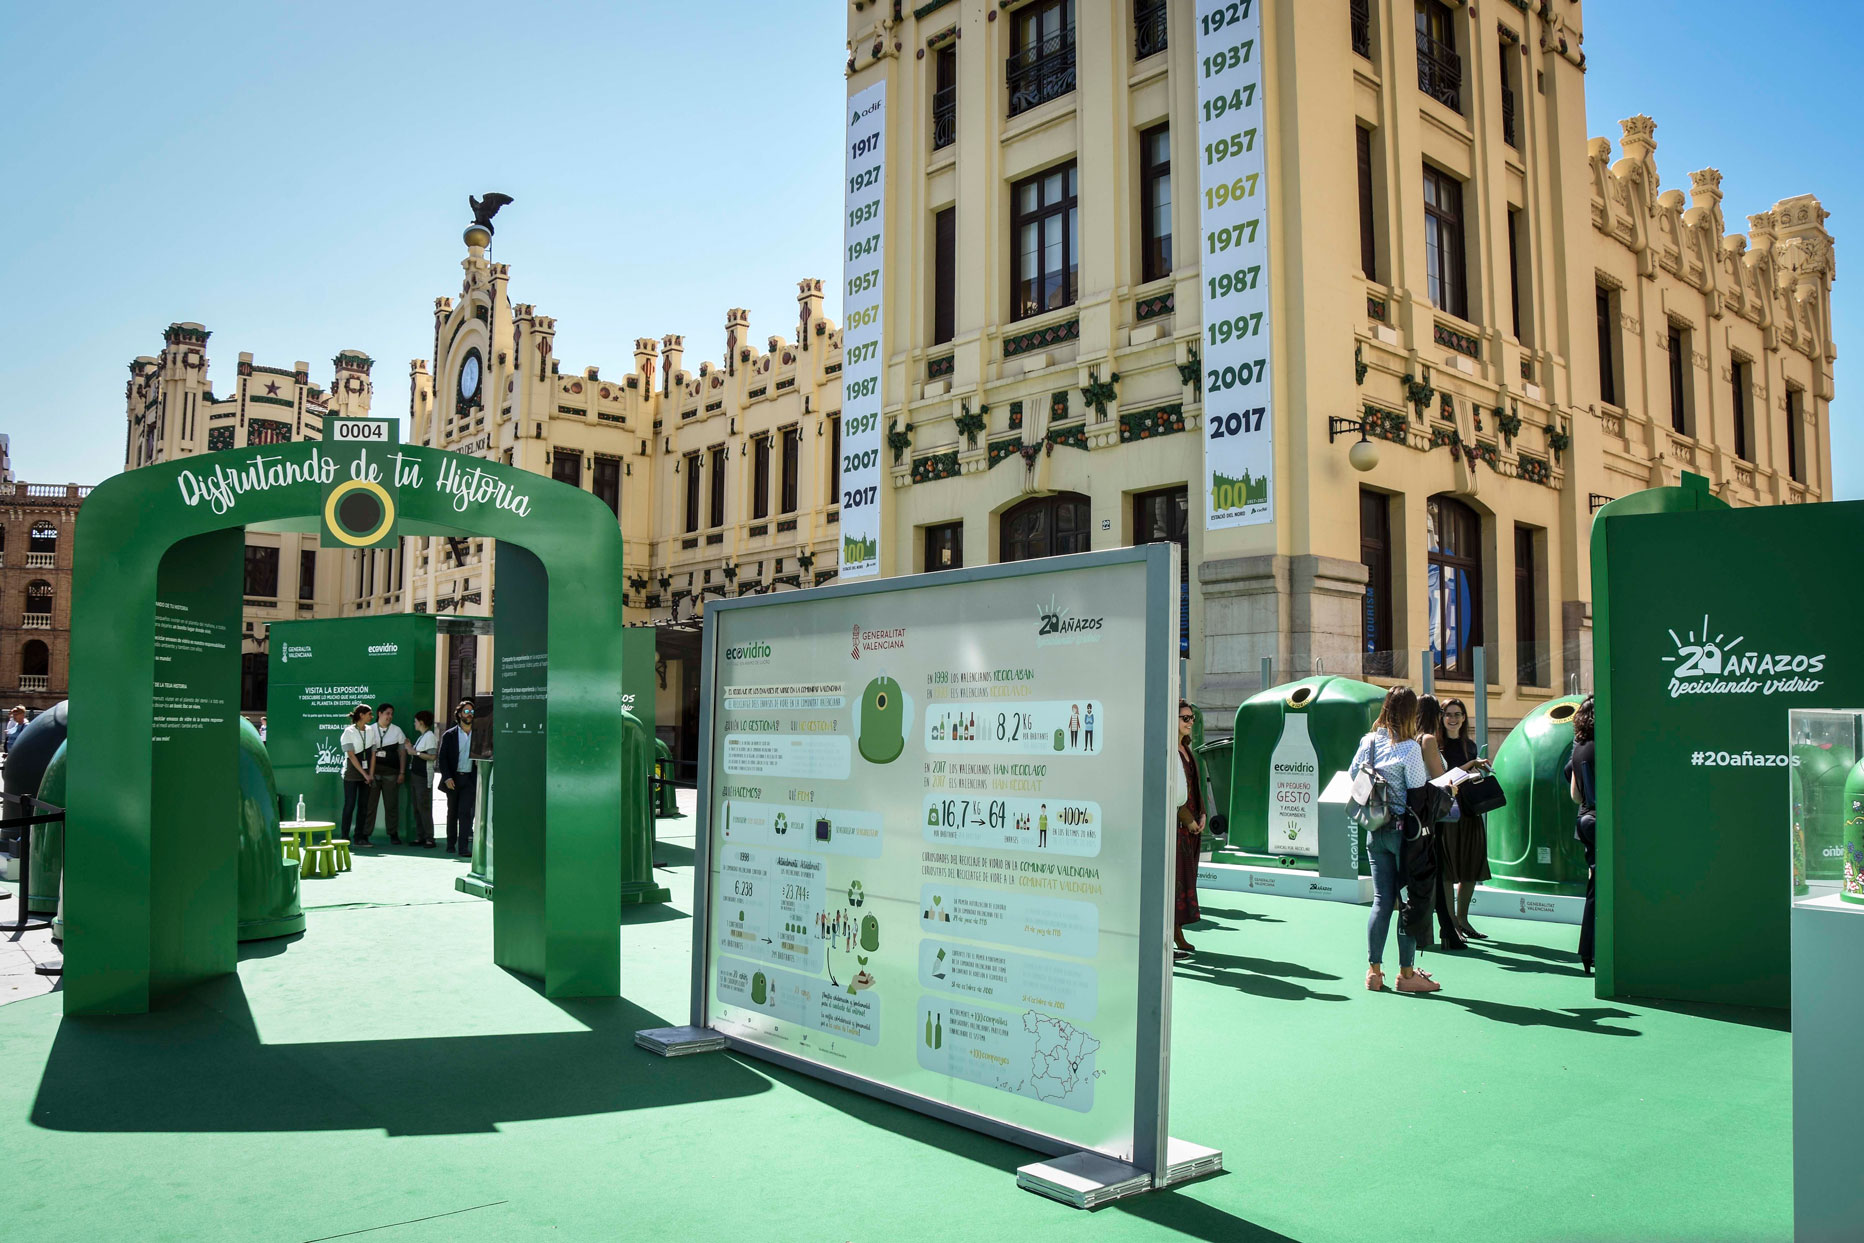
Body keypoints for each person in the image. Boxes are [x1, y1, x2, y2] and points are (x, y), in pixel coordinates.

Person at [1348, 686, 1442, 993]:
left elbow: (1353, 775)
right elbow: (1418, 789)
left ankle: (1374, 972)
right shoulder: (1409, 748)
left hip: (1375, 829)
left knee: (1381, 901)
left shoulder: (1368, 741)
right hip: (1405, 833)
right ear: (1411, 713)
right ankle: (1406, 973)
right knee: (1408, 902)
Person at [1414, 695, 1468, 952]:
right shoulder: (1428, 740)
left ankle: (1446, 929)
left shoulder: (1409, 739)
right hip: (1433, 815)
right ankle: (1447, 929)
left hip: (1416, 815)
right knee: (1435, 874)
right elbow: (1440, 778)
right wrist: (1462, 775)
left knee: (1429, 874)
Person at [1438, 698, 1491, 940]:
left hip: (1470, 812)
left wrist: (1478, 773)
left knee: (1471, 867)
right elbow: (1445, 779)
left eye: (1458, 714)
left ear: (1464, 717)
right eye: (1448, 714)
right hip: (1448, 815)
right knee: (1448, 870)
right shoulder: (1436, 746)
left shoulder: (1470, 745)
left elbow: (1468, 776)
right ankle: (1451, 924)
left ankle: (1463, 920)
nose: (1453, 718)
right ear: (1441, 717)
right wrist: (1470, 765)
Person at [1565, 696, 1599, 975]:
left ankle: (1588, 952)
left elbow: (1575, 795)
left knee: (1593, 888)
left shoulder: (1578, 749)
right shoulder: (1603, 747)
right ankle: (1593, 951)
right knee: (1600, 890)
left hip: (1585, 820)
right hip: (1601, 820)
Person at [1173, 700, 1204, 961]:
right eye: (1184, 718)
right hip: (1175, 826)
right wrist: (1187, 818)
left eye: (1191, 718)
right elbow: (1172, 792)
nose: (1189, 722)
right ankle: (1173, 932)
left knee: (1186, 877)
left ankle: (1176, 931)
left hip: (1191, 824)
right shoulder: (1168, 749)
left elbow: (1194, 785)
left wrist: (1201, 814)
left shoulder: (1185, 749)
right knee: (1175, 881)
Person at [437, 700, 478, 857]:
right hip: (453, 779)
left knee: (465, 813)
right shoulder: (450, 735)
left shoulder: (478, 734)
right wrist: (447, 777)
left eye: (472, 712)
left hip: (469, 779)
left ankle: (463, 848)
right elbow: (443, 758)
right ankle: (450, 843)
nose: (470, 715)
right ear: (460, 714)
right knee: (452, 812)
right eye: (467, 712)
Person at [369, 702, 408, 846]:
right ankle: (365, 834)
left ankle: (393, 833)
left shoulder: (397, 731)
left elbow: (402, 753)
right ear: (379, 713)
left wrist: (402, 772)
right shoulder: (369, 730)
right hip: (373, 775)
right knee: (369, 805)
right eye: (387, 713)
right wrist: (368, 774)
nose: (389, 716)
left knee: (391, 805)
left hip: (391, 774)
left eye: (391, 714)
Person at [338, 704, 375, 845]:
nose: (371, 717)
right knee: (350, 804)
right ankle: (344, 837)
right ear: (361, 715)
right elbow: (351, 756)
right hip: (352, 773)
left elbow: (373, 753)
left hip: (367, 773)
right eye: (369, 714)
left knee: (364, 806)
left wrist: (370, 773)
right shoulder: (349, 732)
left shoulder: (371, 730)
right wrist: (364, 774)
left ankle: (360, 837)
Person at [409, 710, 439, 848]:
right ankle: (420, 836)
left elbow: (432, 756)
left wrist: (415, 752)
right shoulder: (423, 736)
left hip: (423, 776)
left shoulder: (430, 737)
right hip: (416, 775)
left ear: (421, 722)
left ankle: (429, 838)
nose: (414, 724)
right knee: (417, 807)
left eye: (415, 721)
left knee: (423, 807)